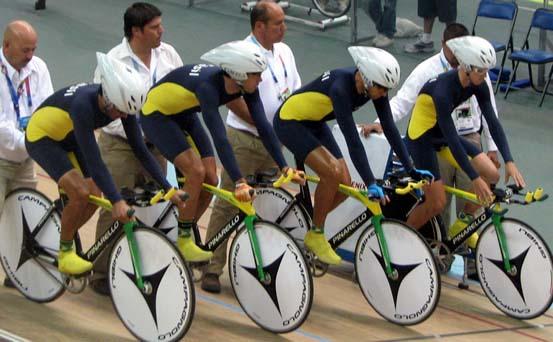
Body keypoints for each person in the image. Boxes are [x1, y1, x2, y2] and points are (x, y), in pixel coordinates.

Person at [139, 40, 300, 269]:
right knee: (195, 172)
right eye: (257, 74)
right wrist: (239, 181)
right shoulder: (208, 88)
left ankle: (183, 226)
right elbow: (220, 139)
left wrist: (285, 166)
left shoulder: (244, 85)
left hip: (183, 113)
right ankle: (184, 239)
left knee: (211, 179)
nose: (261, 79)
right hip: (157, 116)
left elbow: (263, 125)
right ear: (239, 74)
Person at [24, 53, 186, 276]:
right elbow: (96, 162)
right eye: (119, 111)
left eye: (126, 113)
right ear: (107, 98)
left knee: (94, 195)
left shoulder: (122, 104)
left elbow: (139, 148)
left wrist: (168, 188)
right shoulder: (83, 106)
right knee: (80, 192)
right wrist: (117, 201)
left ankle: (62, 234)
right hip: (42, 138)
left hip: (69, 137)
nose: (122, 116)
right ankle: (64, 252)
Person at [273, 46, 433, 265]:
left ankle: (308, 224)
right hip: (290, 122)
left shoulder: (373, 86)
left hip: (314, 122)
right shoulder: (341, 89)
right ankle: (316, 233)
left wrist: (411, 168)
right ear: (367, 80)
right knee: (332, 174)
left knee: (346, 184)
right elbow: (353, 142)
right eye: (383, 89)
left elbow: (390, 128)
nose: (385, 94)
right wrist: (369, 182)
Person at [362, 23, 501, 248]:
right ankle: (435, 252)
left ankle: (466, 234)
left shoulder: (476, 68)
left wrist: (492, 147)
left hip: (468, 136)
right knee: (438, 204)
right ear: (445, 45)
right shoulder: (428, 69)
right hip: (436, 140)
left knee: (480, 188)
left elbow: (490, 111)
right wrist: (380, 124)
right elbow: (403, 100)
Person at [201, 0, 302, 294]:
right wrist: (263, 125)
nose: (284, 28)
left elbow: (291, 89)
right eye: (278, 24)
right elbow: (231, 98)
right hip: (244, 139)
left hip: (273, 142)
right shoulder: (239, 54)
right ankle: (212, 267)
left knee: (265, 204)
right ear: (259, 26)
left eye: (284, 22)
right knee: (230, 203)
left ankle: (255, 264)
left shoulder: (284, 52)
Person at [91, 2, 183, 296]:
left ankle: (140, 265)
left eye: (161, 25)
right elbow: (107, 113)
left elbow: (179, 95)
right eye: (155, 27)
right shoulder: (113, 61)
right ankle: (101, 272)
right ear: (136, 31)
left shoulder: (168, 55)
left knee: (152, 208)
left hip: (155, 146)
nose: (162, 31)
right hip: (119, 145)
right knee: (116, 208)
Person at [403, 36, 525, 235]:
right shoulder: (442, 90)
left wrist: (509, 160)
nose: (485, 75)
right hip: (422, 138)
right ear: (467, 67)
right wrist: (474, 177)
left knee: (492, 174)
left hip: (441, 134)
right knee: (437, 202)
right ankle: (404, 235)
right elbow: (452, 138)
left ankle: (463, 222)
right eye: (481, 70)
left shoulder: (478, 83)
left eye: (487, 70)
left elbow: (492, 122)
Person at [0, 20, 53, 288]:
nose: (30, 55)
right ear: (6, 46)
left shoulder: (38, 67)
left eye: (33, 49)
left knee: (24, 219)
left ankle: (16, 272)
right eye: (25, 50)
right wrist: (32, 141)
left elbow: (46, 108)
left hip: (24, 159)